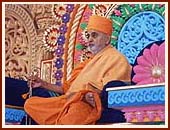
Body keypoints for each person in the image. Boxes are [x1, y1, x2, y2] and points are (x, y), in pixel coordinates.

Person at [24, 15, 132, 125]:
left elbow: (112, 91)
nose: (89, 39)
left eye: (94, 35)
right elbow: (67, 89)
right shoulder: (87, 62)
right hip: (67, 101)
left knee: (75, 112)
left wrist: (86, 95)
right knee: (31, 104)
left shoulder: (116, 58)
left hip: (87, 105)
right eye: (88, 35)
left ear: (107, 39)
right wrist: (43, 84)